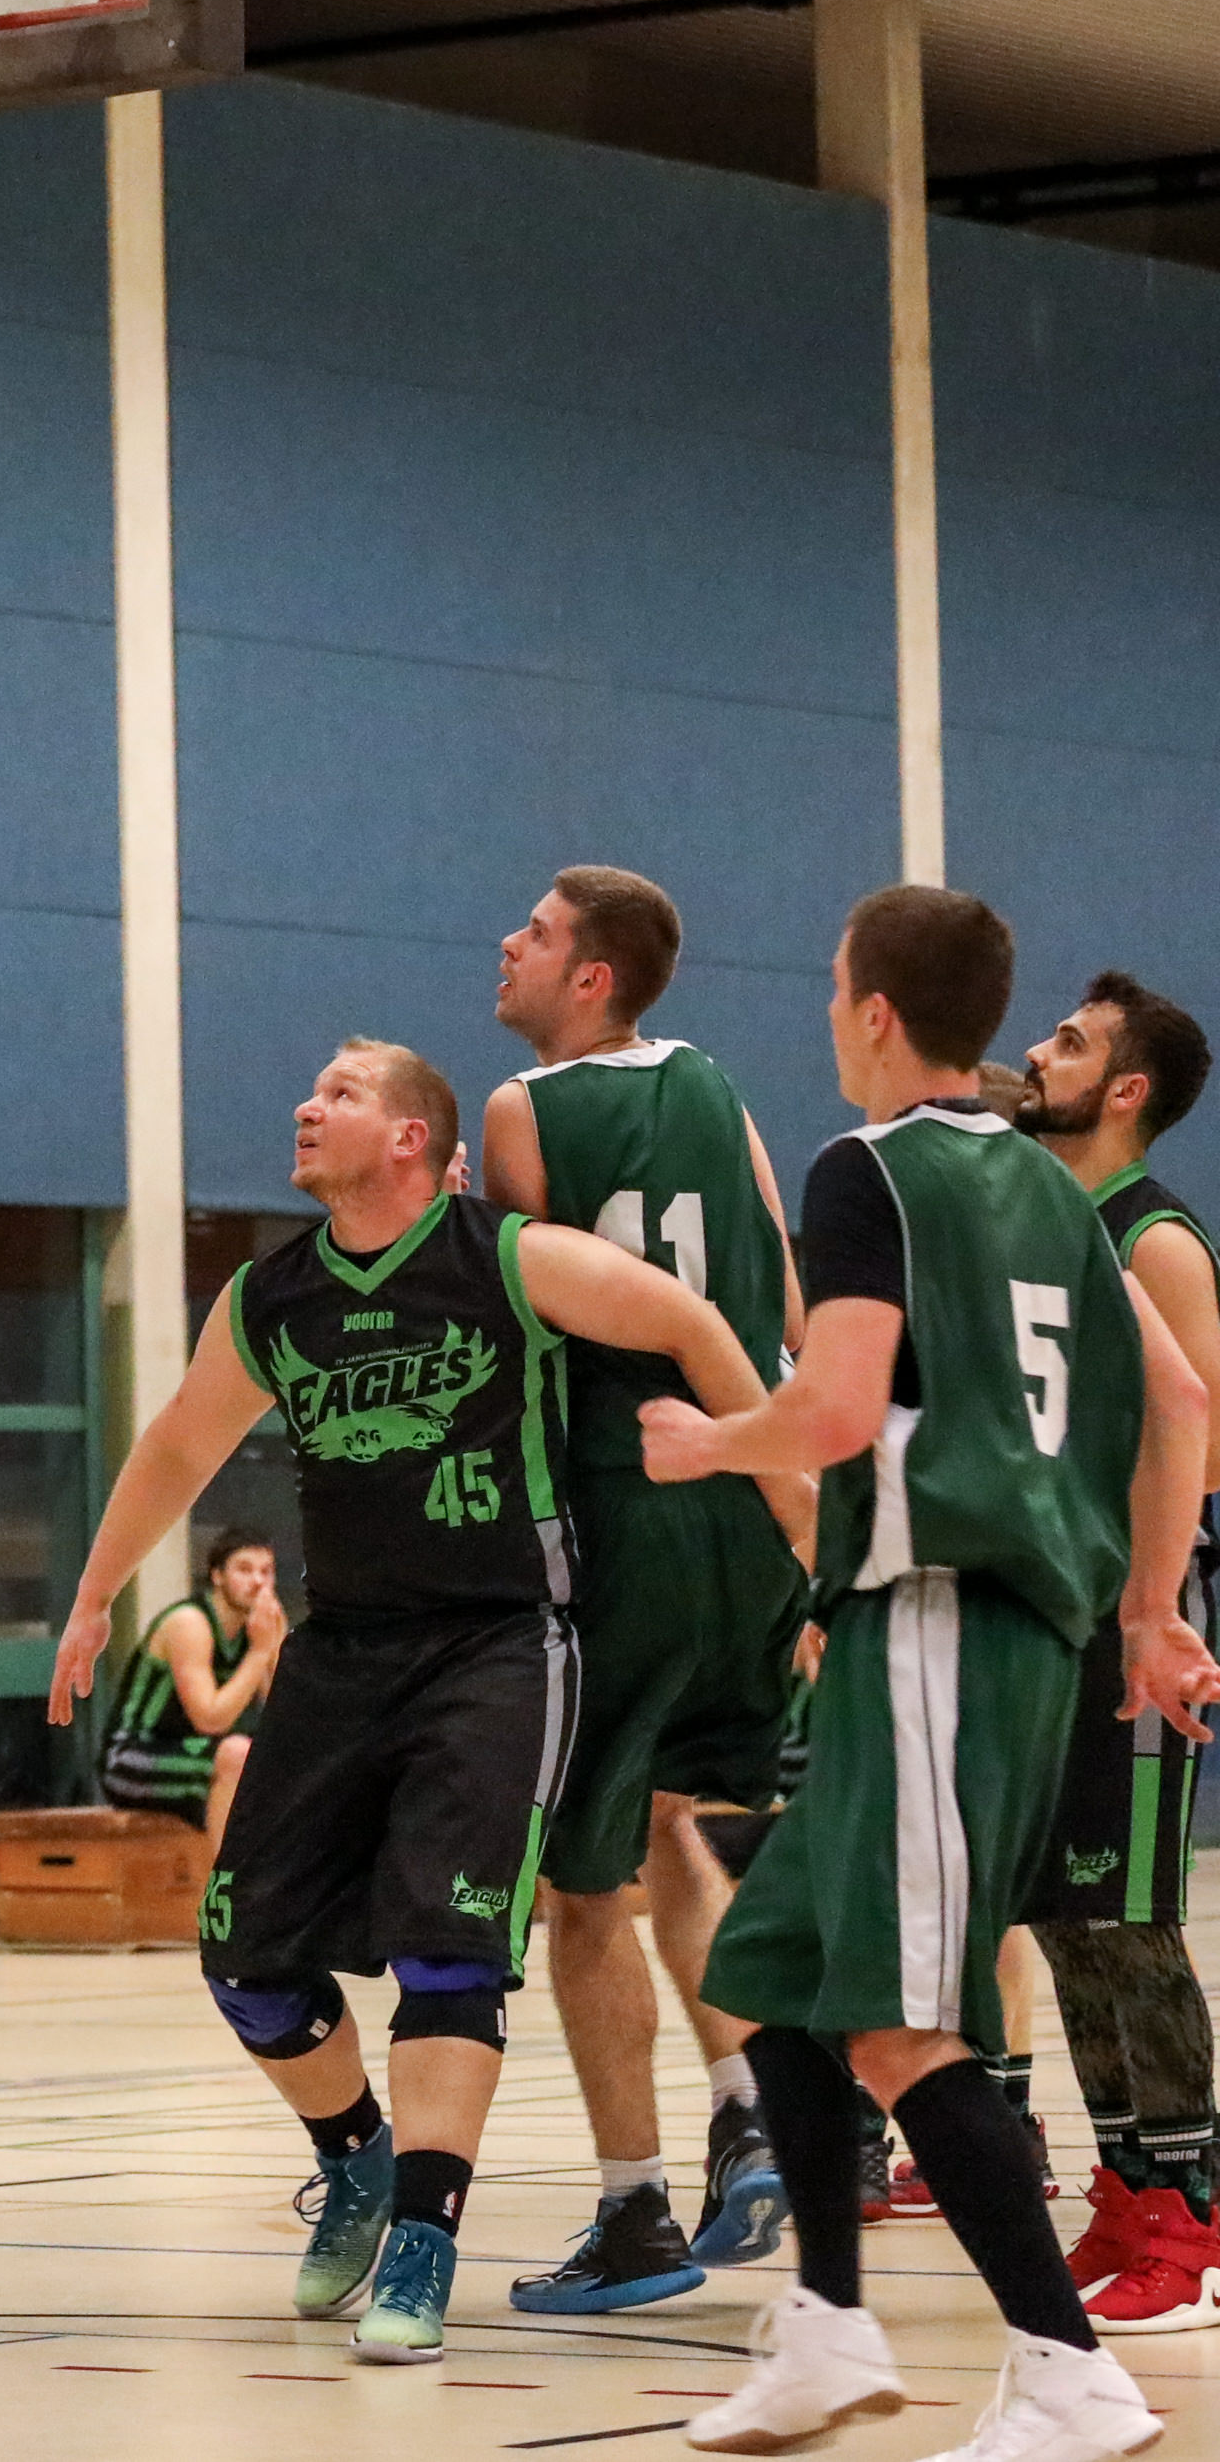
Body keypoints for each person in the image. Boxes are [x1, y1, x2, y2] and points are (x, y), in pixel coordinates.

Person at [46, 1035, 790, 2366]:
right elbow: (177, 1442)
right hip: (343, 1653)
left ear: (410, 1137)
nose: (303, 1104)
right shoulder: (272, 1296)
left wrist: (786, 1492)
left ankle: (425, 2246)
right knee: (243, 1960)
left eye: (336, 1092)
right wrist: (95, 1594)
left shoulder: (507, 1258)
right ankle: (357, 2157)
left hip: (499, 1645)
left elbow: (691, 1320)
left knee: (450, 1954)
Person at [650, 887, 1215, 2462]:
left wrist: (712, 1438)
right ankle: (827, 2326)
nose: (830, 1014)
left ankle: (1068, 2372)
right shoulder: (1051, 1188)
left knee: (902, 2025)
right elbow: (1181, 1399)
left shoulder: (870, 1168)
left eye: (837, 988)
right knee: (773, 1962)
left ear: (877, 1011)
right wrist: (1151, 1607)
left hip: (940, 1620)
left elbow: (834, 1410)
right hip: (997, 1629)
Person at [478, 864, 816, 2312]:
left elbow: (520, 1314)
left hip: (630, 1505)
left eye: (537, 932)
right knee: (675, 1817)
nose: (508, 943)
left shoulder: (521, 1109)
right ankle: (750, 2108)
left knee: (580, 1886)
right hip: (749, 1493)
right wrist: (795, 1488)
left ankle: (632, 2213)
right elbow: (783, 1298)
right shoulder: (719, 1086)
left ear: (592, 976)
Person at [1013, 969, 1220, 2332]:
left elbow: (1202, 1438)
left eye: (1071, 1041)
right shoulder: (1042, 1214)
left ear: (1125, 1088)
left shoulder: (1154, 1240)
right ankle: (1130, 2183)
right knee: (1063, 1911)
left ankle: (1195, 2212)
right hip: (1047, 1608)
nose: (1038, 1051)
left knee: (1132, 1914)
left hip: (1134, 1608)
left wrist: (1145, 1598)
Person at [98, 1527, 283, 1857]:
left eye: (266, 1571)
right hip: (134, 1757)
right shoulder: (190, 1623)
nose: (258, 1582)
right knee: (237, 1754)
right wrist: (259, 1653)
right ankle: (227, 1881)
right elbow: (209, 1720)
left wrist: (275, 1649)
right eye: (244, 1569)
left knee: (289, 1760)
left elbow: (285, 1717)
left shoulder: (261, 1628)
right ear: (217, 1576)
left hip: (198, 1755)